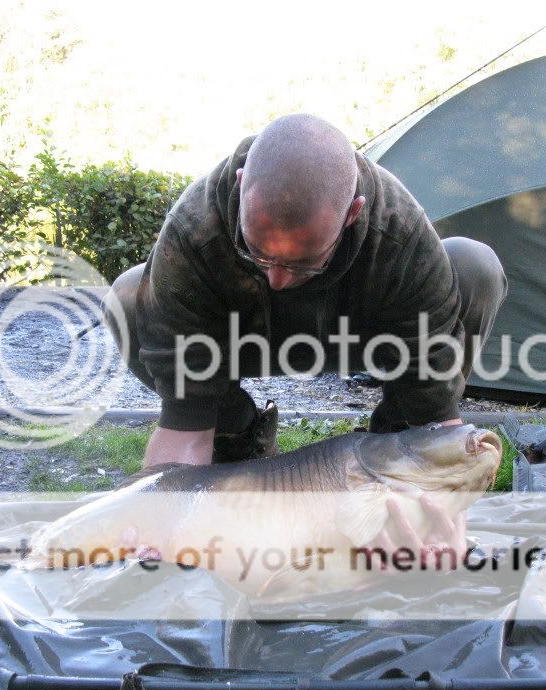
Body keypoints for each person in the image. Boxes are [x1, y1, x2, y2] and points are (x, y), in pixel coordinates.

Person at [105, 113, 507, 558]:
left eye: (302, 263)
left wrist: (443, 516)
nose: (277, 280)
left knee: (474, 265)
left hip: (367, 339)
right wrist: (159, 516)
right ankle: (236, 437)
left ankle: (388, 455)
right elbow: (184, 426)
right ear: (241, 186)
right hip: (244, 340)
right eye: (256, 254)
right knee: (127, 296)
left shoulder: (401, 233)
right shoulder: (195, 227)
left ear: (353, 213)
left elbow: (436, 418)